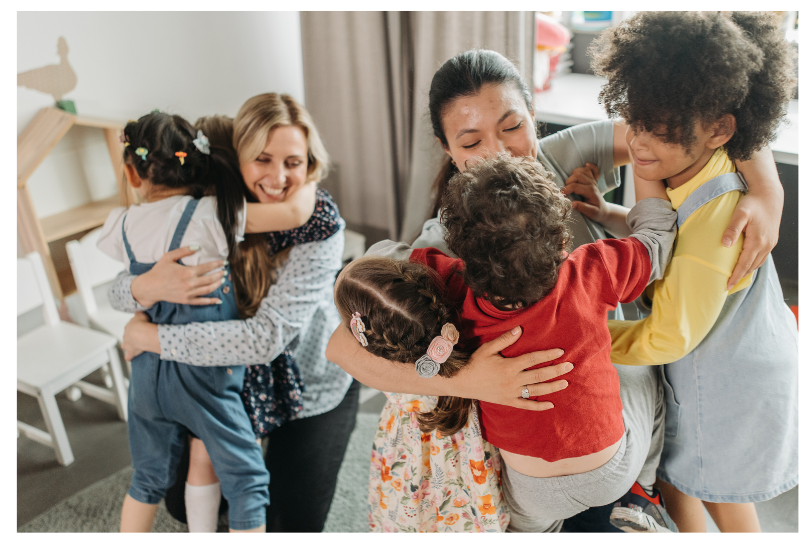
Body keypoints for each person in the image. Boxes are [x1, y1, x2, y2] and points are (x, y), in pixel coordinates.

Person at [325, 49, 786, 531]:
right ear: (448, 150)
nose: (500, 151)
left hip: (602, 423)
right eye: (471, 140)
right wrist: (465, 381)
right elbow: (342, 347)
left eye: (511, 126)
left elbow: (690, 116)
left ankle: (639, 491)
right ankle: (638, 490)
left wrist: (766, 187)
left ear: (534, 117)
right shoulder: (446, 237)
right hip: (539, 448)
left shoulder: (561, 154)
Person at [580, 12, 797, 532]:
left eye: (662, 129)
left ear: (720, 129)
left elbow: (667, 337)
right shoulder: (703, 168)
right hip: (735, 356)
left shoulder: (716, 232)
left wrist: (584, 336)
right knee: (677, 480)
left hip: (726, 382)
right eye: (634, 119)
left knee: (719, 494)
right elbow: (670, 233)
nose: (638, 141)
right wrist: (610, 214)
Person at [111, 93, 359, 532]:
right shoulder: (207, 212)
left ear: (309, 163)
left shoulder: (317, 222)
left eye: (293, 162)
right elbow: (118, 287)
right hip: (224, 376)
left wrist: (150, 338)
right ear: (237, 160)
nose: (278, 177)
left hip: (310, 382)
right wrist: (142, 288)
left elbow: (264, 338)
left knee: (290, 524)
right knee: (181, 499)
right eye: (261, 159)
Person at [334, 257, 509, 532]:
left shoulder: (385, 369)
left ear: (366, 338)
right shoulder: (467, 349)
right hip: (467, 450)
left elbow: (334, 350)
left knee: (411, 511)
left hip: (404, 448)